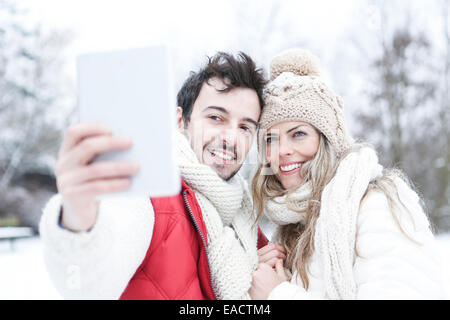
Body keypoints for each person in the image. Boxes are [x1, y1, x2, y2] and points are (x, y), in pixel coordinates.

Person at [39, 51, 286, 299]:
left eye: (244, 127)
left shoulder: (244, 216)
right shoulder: (148, 194)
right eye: (215, 118)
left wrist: (257, 276)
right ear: (181, 121)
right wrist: (77, 218)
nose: (231, 138)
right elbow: (86, 287)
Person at [248, 49, 445, 300]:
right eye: (270, 139)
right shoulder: (291, 228)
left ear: (328, 139)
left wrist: (278, 294)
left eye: (298, 134)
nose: (282, 151)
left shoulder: (377, 204)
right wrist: (262, 278)